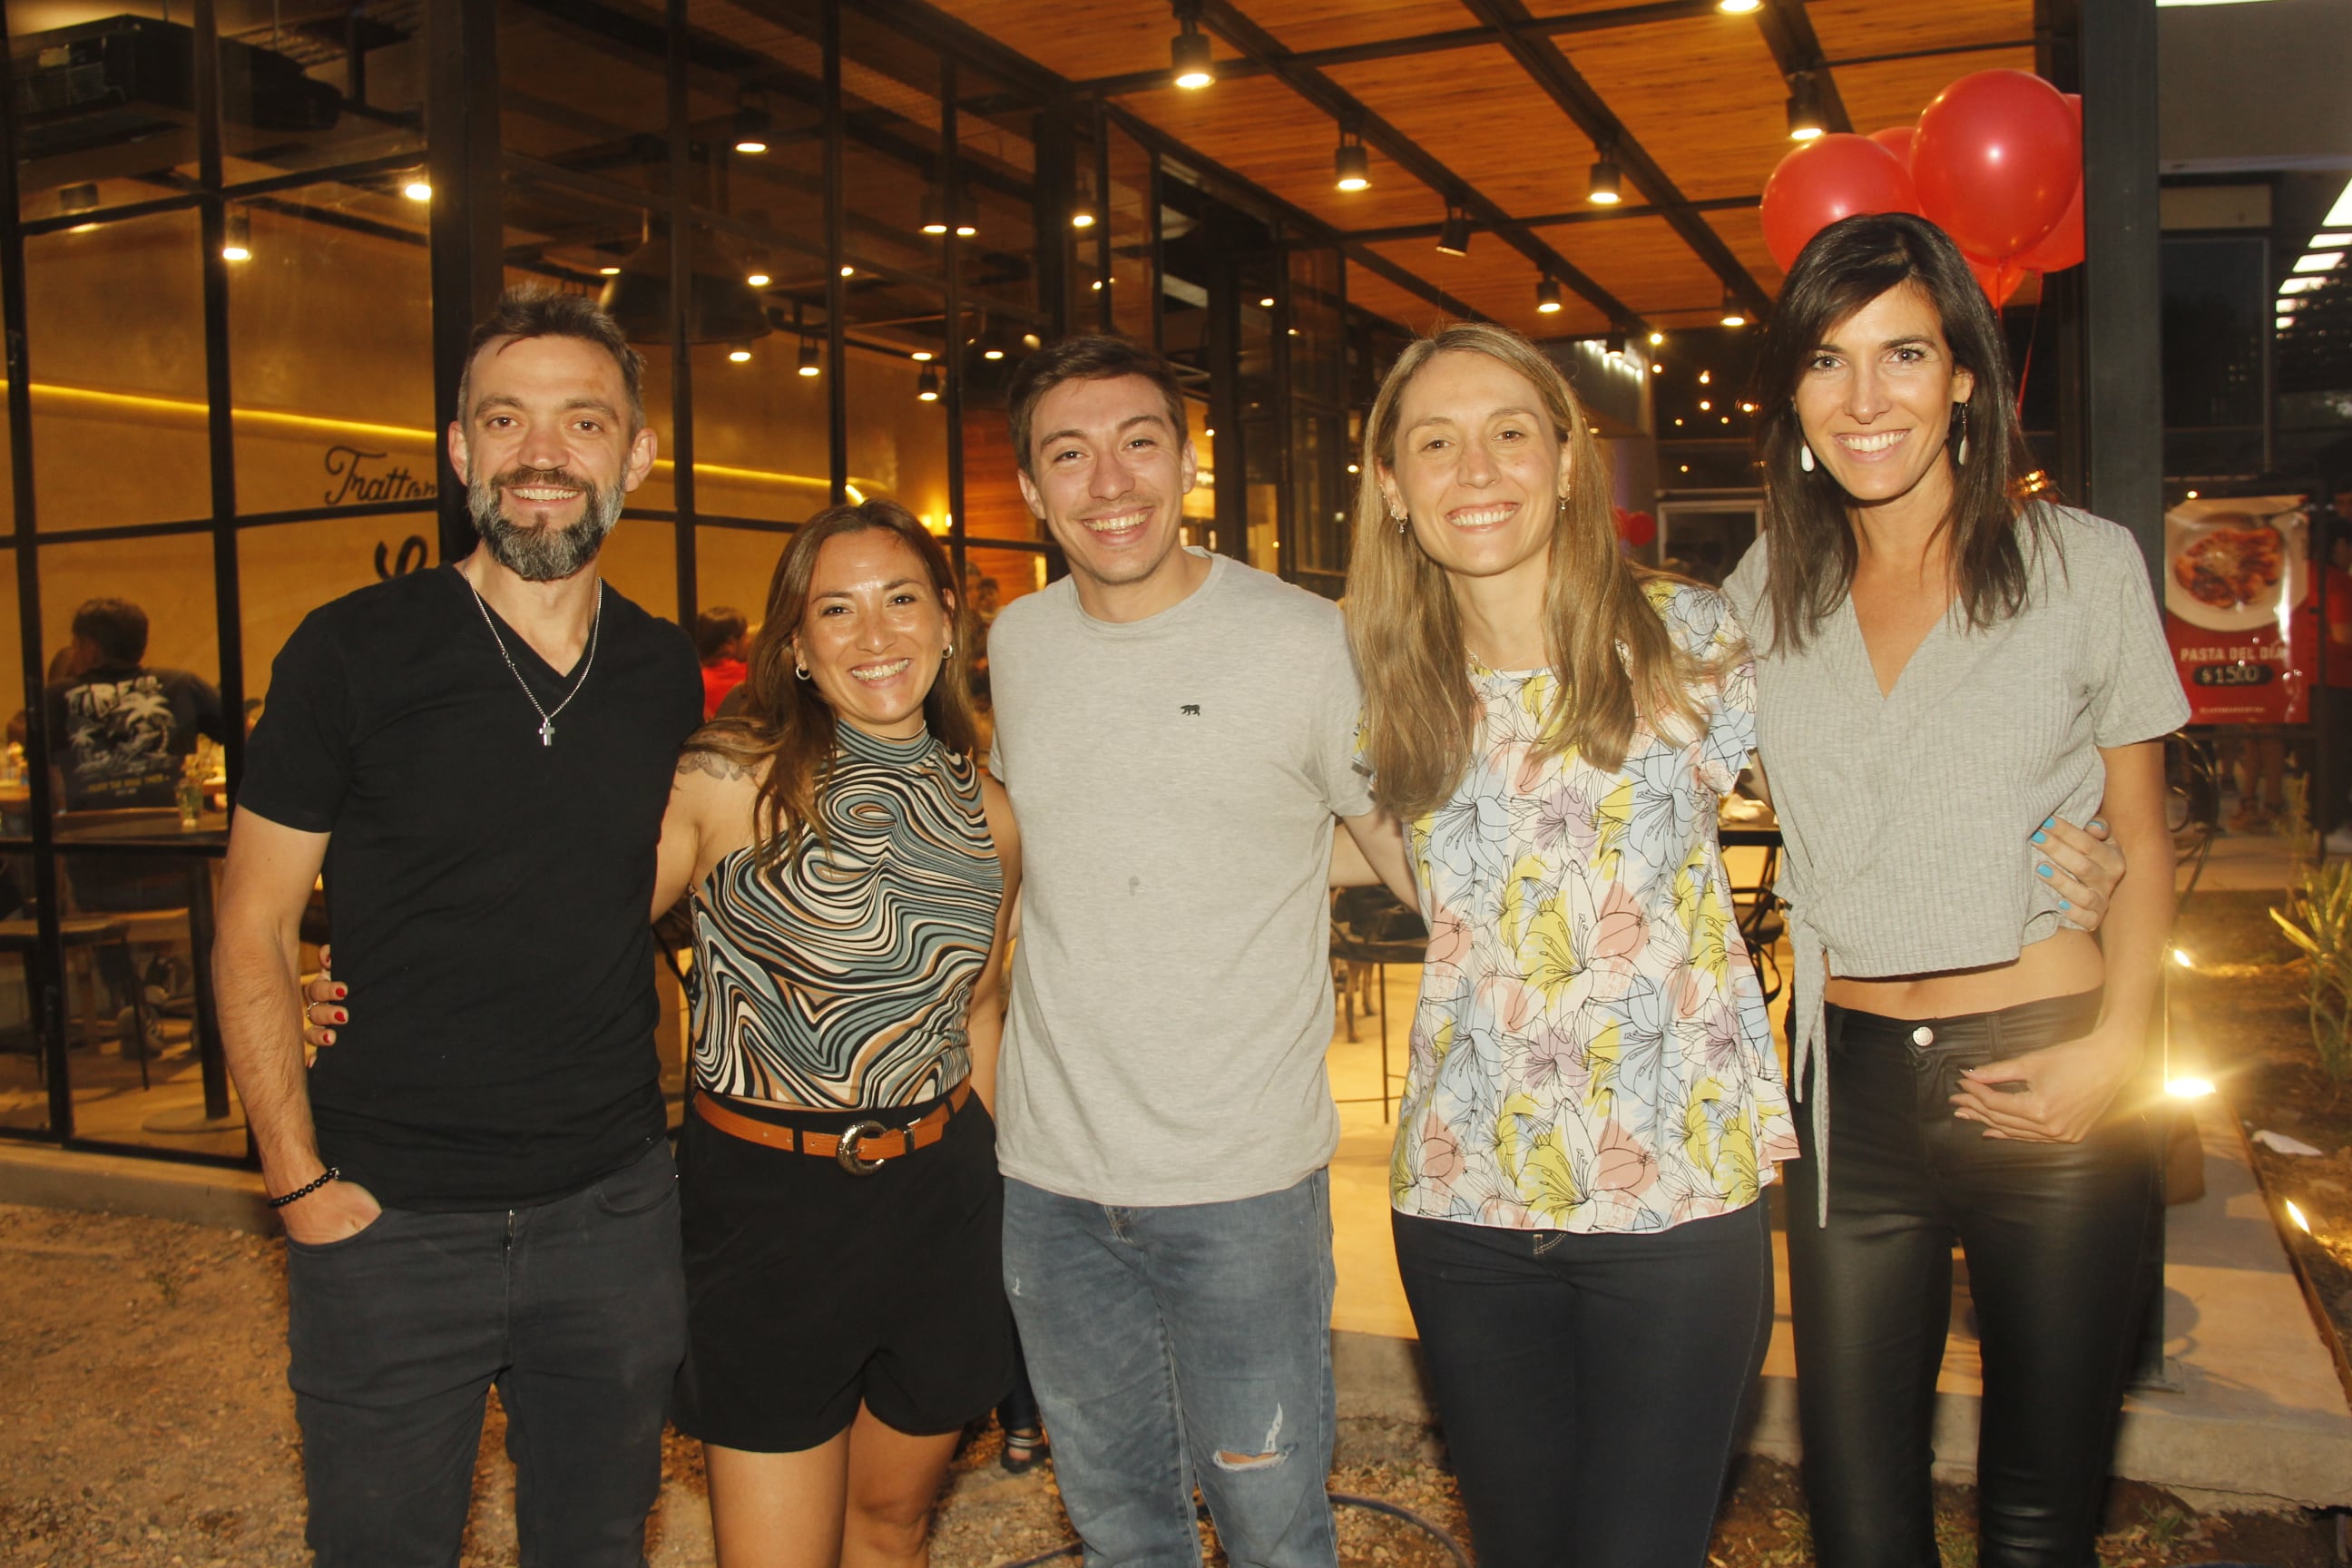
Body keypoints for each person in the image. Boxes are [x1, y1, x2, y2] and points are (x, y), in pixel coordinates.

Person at [215, 287, 701, 1568]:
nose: (543, 453)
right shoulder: (353, 651)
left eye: (582, 422)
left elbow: (625, 878)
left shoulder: (661, 674)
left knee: (597, 1545)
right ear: (461, 449)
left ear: (635, 459)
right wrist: (298, 1185)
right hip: (386, 1216)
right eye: (507, 419)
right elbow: (253, 924)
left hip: (610, 1216)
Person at [1725, 211, 2182, 1568]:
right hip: (1846, 1085)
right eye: (1826, 361)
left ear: (1965, 377)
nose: (1865, 399)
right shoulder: (1765, 595)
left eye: (1904, 354)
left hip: (2050, 1067)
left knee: (2039, 1520)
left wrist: (2121, 1053)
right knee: (1860, 1524)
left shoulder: (2082, 568)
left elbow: (2146, 842)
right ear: (1795, 395)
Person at [1347, 322, 1798, 1567]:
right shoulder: (1376, 684)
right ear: (1392, 486)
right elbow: (1394, 867)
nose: (1475, 466)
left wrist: (2060, 868)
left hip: (1676, 1189)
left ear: (1563, 462)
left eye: (1509, 432)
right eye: (1435, 442)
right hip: (1463, 1197)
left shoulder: (1691, 641)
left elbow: (1862, 803)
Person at [985, 334, 1414, 1568]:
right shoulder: (1018, 644)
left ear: (1188, 461)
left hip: (1241, 1188)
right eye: (1070, 454)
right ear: (1031, 487)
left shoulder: (1304, 640)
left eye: (1138, 444)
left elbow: (1408, 856)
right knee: (1118, 1522)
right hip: (1053, 1183)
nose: (1108, 482)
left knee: (1274, 1525)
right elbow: (1039, 848)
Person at [656, 498, 1019, 1568]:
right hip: (767, 1208)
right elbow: (570, 929)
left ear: (950, 619)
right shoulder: (727, 778)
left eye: (902, 599)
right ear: (798, 645)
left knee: (893, 1527)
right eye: (838, 610)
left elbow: (980, 1007)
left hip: (939, 1202)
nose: (876, 635)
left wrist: (986, 1189)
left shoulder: (988, 809)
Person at [45, 598, 226, 811]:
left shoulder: (54, 697)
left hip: (88, 837)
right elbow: (251, 737)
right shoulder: (181, 684)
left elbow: (50, 786)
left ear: (89, 649)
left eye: (75, 646)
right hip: (171, 834)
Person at [696, 603, 751, 718]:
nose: (749, 641)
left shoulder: (695, 681)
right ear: (730, 644)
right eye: (745, 636)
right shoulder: (750, 674)